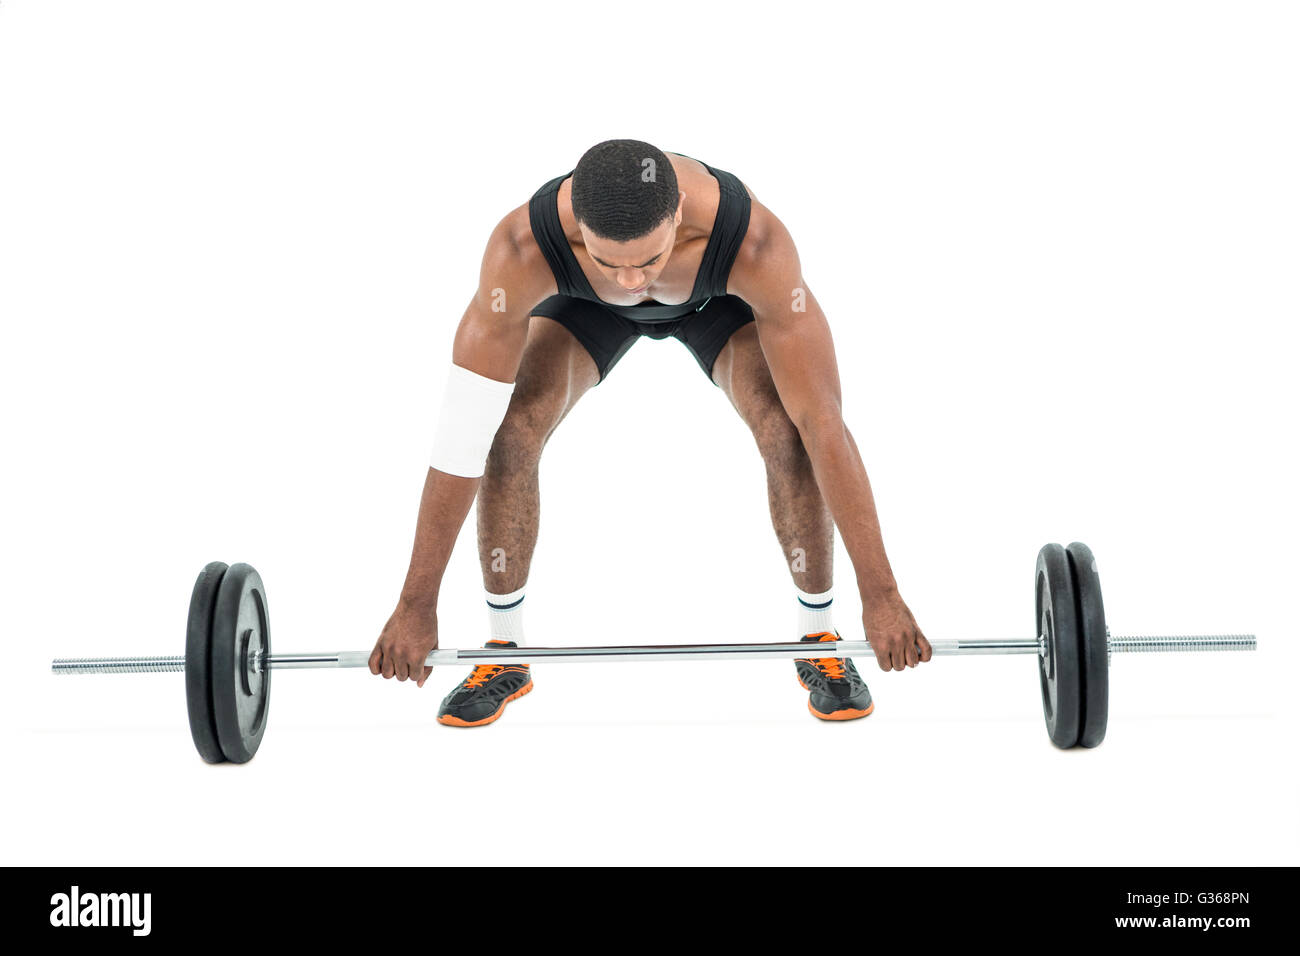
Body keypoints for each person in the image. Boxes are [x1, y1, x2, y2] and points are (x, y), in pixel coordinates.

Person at [368, 140, 932, 726]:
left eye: (649, 258)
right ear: (577, 229)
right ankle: (507, 652)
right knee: (508, 432)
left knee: (789, 429)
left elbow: (825, 426)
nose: (633, 278)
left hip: (715, 299)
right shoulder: (521, 250)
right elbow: (463, 437)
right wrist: (415, 604)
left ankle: (819, 640)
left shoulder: (754, 245)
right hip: (585, 305)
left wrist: (883, 596)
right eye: (611, 261)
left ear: (680, 209)